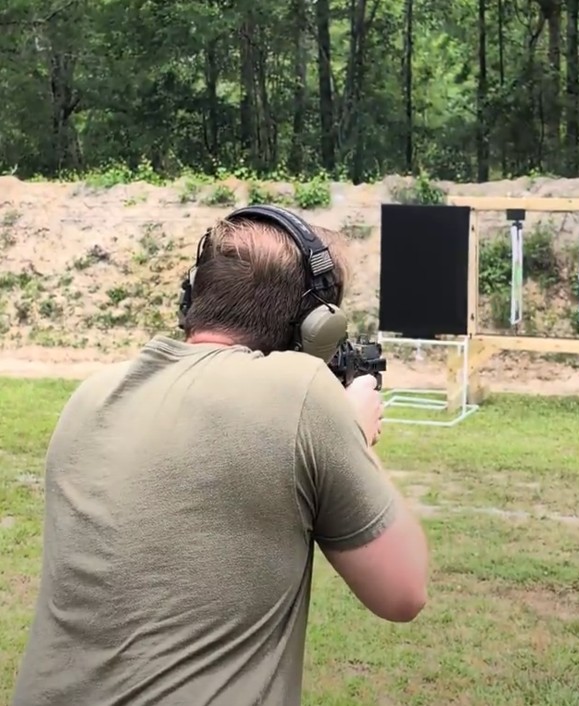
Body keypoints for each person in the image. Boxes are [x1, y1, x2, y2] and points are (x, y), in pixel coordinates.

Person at [11, 206, 430, 706]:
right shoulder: (300, 392)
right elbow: (403, 592)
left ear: (193, 295)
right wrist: (351, 431)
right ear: (317, 325)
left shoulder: (92, 394)